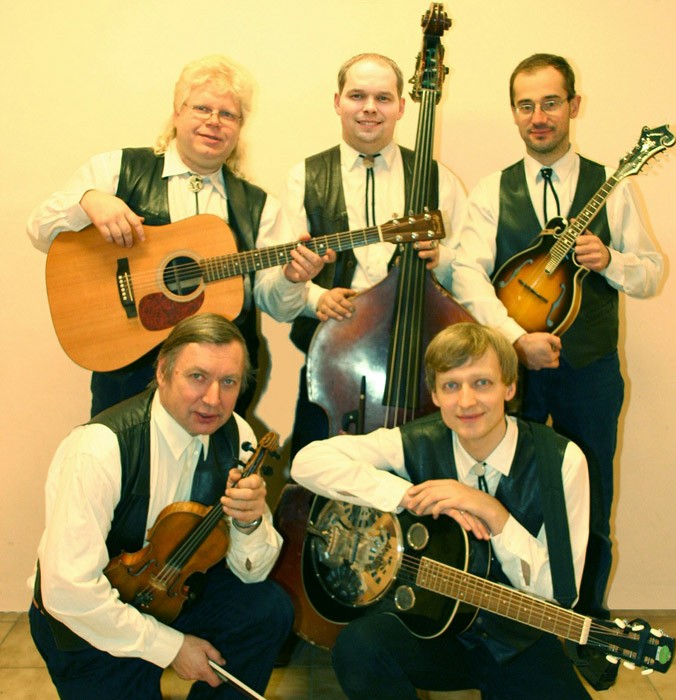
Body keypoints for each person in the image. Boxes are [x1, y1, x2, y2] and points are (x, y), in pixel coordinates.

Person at [451, 53, 664, 687]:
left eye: (550, 102)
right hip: (512, 374)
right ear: (514, 112)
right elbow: (466, 274)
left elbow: (651, 274)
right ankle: (507, 624)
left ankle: (588, 629)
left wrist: (611, 262)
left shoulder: (612, 186)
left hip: (590, 373)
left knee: (591, 499)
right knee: (503, 495)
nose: (538, 116)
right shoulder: (491, 190)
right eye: (526, 105)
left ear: (573, 105)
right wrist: (516, 340)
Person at [291, 322, 591, 699]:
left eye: (482, 383)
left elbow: (560, 595)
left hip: (518, 642)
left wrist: (494, 514)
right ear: (434, 394)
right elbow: (307, 462)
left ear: (510, 387)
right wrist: (407, 495)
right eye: (451, 386)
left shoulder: (561, 462)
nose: (466, 402)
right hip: (435, 634)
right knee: (359, 647)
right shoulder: (416, 441)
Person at [27, 54, 325, 418]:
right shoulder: (118, 169)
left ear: (239, 127)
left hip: (214, 390)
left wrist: (292, 278)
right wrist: (87, 202)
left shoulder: (259, 206)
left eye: (228, 114)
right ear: (177, 112)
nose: (214, 122)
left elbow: (280, 306)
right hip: (127, 377)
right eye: (202, 108)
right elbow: (39, 229)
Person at [29, 313, 294, 700]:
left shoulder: (236, 434)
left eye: (229, 382)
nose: (213, 399)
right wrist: (171, 647)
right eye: (198, 377)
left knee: (267, 609)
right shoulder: (99, 448)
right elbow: (68, 590)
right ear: (163, 371)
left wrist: (249, 523)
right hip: (87, 620)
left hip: (170, 595)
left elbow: (252, 574)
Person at [254, 52, 470, 456]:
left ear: (401, 107)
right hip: (332, 373)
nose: (370, 108)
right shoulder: (303, 178)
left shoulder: (439, 180)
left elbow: (470, 279)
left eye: (383, 98)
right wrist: (315, 297)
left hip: (418, 374)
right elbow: (272, 298)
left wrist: (440, 260)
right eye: (357, 96)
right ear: (338, 102)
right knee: (314, 481)